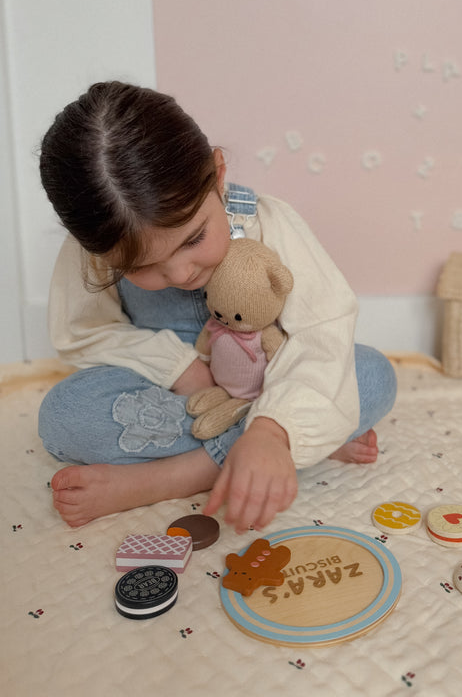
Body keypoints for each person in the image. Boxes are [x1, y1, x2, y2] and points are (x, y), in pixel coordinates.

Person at [37, 81, 396, 531]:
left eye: (194, 239)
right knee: (64, 416)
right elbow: (84, 334)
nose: (182, 273)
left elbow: (323, 328)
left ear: (217, 172)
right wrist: (180, 369)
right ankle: (306, 438)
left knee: (372, 374)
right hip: (177, 395)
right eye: (144, 266)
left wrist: (273, 427)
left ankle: (187, 471)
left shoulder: (268, 221)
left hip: (269, 376)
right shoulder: (95, 247)